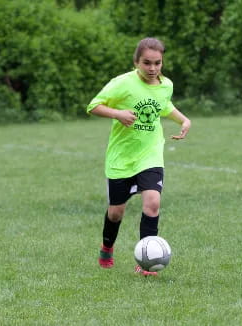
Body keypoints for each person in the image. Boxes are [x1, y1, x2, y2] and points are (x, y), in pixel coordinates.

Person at [86, 37, 191, 275]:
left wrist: (184, 120)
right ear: (136, 62)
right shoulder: (122, 83)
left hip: (150, 155)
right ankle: (107, 247)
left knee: (153, 203)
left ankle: (146, 263)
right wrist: (118, 113)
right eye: (147, 63)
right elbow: (93, 106)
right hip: (122, 158)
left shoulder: (166, 85)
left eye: (157, 63)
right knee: (116, 213)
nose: (153, 69)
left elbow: (164, 106)